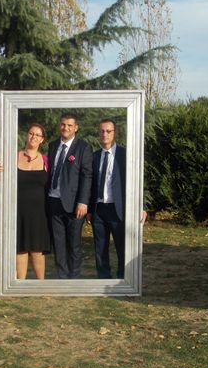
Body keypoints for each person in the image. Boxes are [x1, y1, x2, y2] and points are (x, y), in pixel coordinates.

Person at [88, 119, 146, 279]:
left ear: (115, 133)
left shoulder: (125, 155)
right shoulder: (95, 157)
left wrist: (143, 206)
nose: (104, 134)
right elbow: (90, 184)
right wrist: (88, 208)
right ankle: (103, 277)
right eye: (102, 131)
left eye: (108, 131)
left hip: (118, 209)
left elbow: (137, 181)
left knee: (122, 246)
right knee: (100, 247)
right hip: (99, 209)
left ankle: (123, 277)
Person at [0, 123, 51, 279]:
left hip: (39, 212)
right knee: (20, 248)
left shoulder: (47, 160)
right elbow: (2, 183)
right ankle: (20, 284)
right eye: (31, 133)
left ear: (42, 140)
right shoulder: (12, 157)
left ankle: (40, 285)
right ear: (27, 135)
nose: (34, 137)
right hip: (17, 210)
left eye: (38, 135)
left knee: (37, 250)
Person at [47, 113, 93, 279]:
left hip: (74, 205)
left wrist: (83, 202)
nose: (65, 128)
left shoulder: (83, 147)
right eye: (63, 124)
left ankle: (74, 278)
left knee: (74, 244)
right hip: (53, 201)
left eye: (69, 125)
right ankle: (62, 277)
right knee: (58, 243)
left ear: (76, 128)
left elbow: (87, 176)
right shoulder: (52, 146)